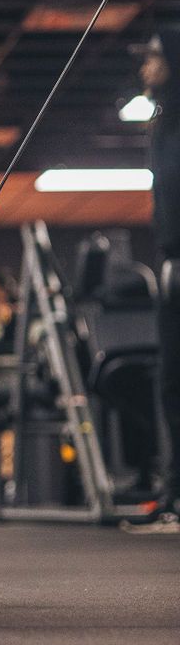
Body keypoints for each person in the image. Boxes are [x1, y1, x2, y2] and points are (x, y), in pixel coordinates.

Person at [140, 28, 180, 516]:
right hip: (172, 265)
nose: (145, 68)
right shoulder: (161, 124)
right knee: (171, 382)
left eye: (152, 57)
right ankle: (175, 490)